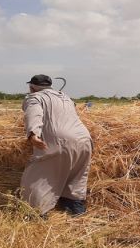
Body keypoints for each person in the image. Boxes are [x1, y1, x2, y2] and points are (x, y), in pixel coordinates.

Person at [21, 74, 93, 217]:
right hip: (84, 139)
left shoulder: (35, 97)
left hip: (61, 141)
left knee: (37, 176)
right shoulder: (65, 97)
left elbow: (33, 113)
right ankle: (75, 207)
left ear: (32, 87)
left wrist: (32, 134)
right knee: (76, 175)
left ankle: (36, 212)